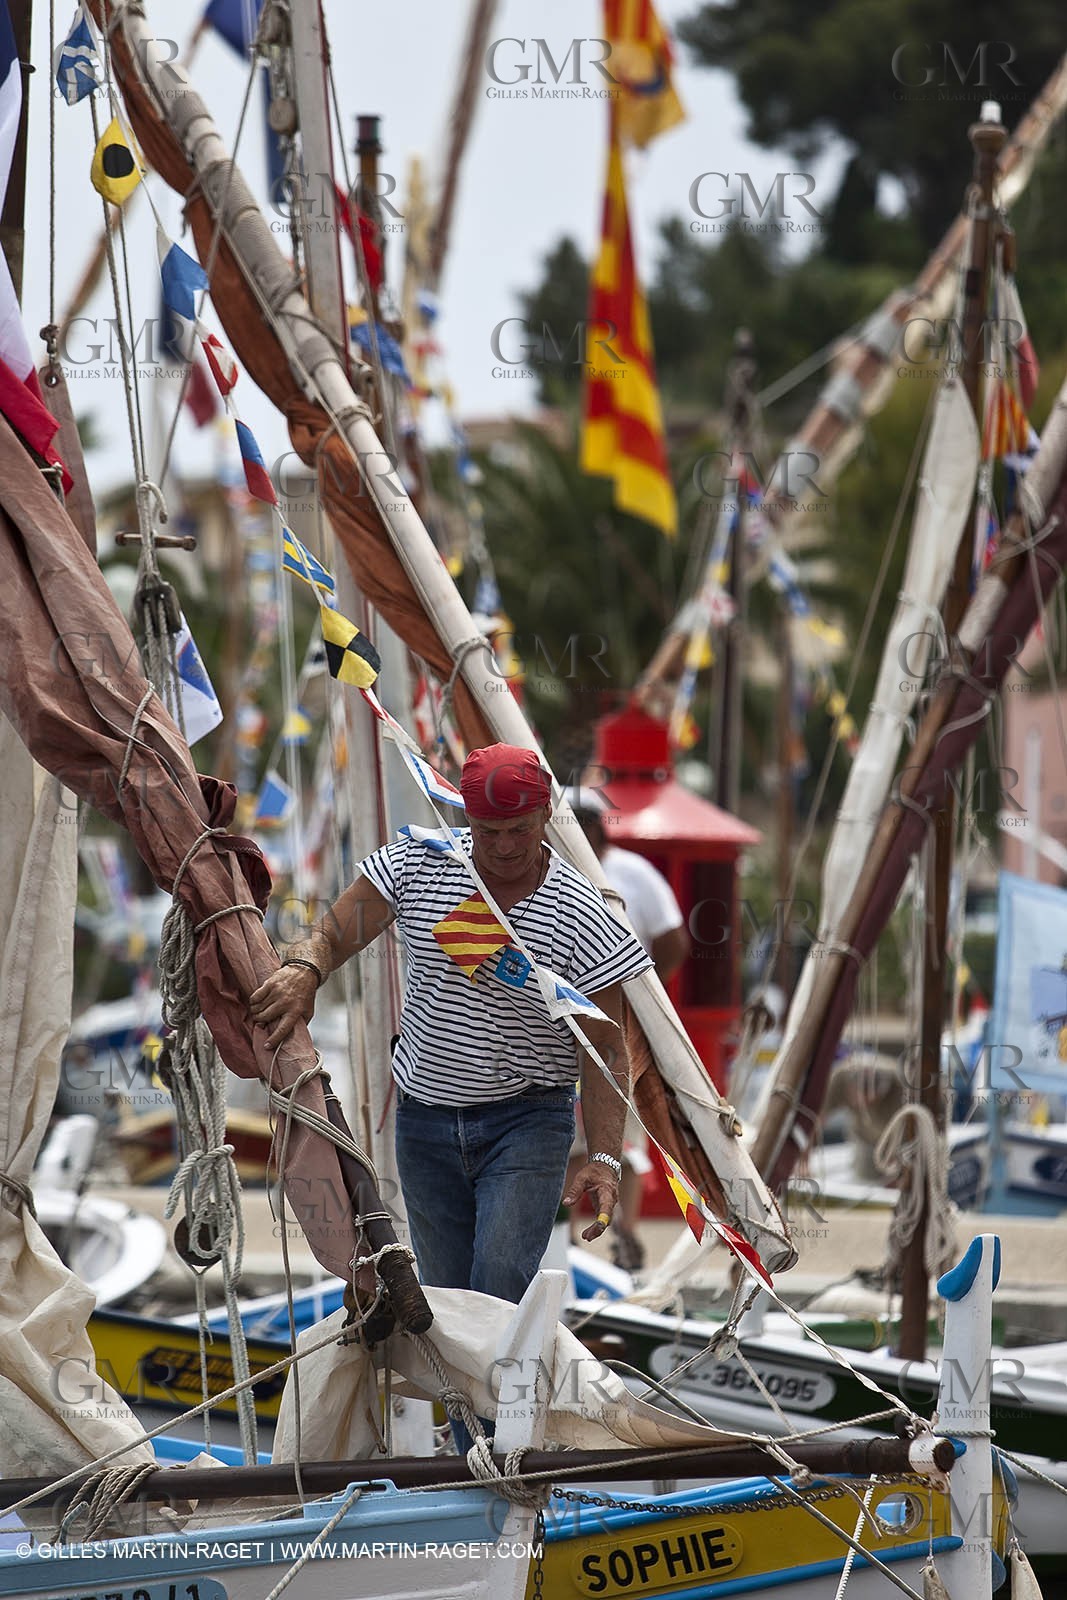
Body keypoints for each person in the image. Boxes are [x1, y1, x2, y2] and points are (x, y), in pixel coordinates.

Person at [249, 744, 652, 1310]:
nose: (505, 846)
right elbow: (335, 934)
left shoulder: (583, 914)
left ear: (543, 819)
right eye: (488, 831)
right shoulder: (418, 862)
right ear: (464, 815)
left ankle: (498, 1398)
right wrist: (305, 970)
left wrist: (606, 1158)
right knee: (441, 1299)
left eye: (518, 829)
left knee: (497, 1284)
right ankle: (464, 1403)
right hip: (424, 1121)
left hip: (528, 1121)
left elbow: (608, 1046)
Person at [562, 786, 691, 1271]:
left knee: (621, 1140)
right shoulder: (546, 871)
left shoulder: (633, 874)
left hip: (621, 1027)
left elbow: (674, 940)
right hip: (562, 1025)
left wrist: (642, 991)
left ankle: (626, 1236)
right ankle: (566, 1242)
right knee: (566, 1137)